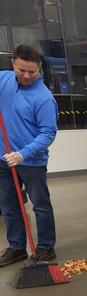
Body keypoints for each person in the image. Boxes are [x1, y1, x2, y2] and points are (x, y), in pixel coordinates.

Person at [0, 45, 58, 267]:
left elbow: (48, 133)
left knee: (40, 205)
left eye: (31, 71)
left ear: (39, 68)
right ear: (13, 64)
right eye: (21, 70)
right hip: (3, 158)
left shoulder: (43, 98)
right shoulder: (4, 79)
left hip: (31, 162)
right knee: (9, 205)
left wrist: (23, 154)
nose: (26, 75)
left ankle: (45, 248)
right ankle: (17, 248)